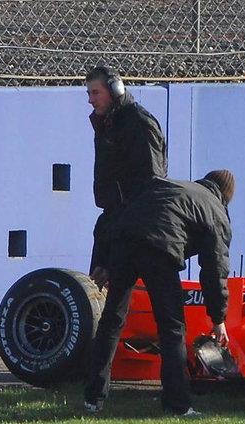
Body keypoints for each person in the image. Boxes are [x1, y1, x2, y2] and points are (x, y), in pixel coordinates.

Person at [83, 170, 235, 416]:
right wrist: (218, 319)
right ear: (226, 197)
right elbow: (215, 269)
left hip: (123, 242)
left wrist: (103, 261)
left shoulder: (168, 187)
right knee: (172, 327)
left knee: (112, 321)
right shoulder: (215, 209)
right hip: (158, 250)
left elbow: (114, 215)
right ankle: (178, 405)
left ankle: (93, 399)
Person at [85, 65, 168, 287]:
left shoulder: (138, 122)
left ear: (115, 90)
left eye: (96, 92)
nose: (90, 100)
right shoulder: (106, 123)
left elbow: (153, 180)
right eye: (88, 93)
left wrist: (133, 224)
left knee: (118, 292)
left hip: (132, 220)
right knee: (96, 287)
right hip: (112, 217)